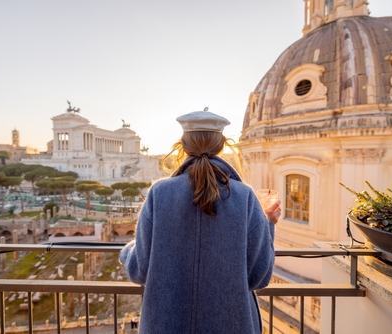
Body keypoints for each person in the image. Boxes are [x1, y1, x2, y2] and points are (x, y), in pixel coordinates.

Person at [119, 109, 281, 333]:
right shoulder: (245, 196)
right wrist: (267, 224)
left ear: (183, 145)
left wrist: (127, 251)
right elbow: (258, 277)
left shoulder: (159, 193)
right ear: (221, 146)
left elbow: (139, 270)